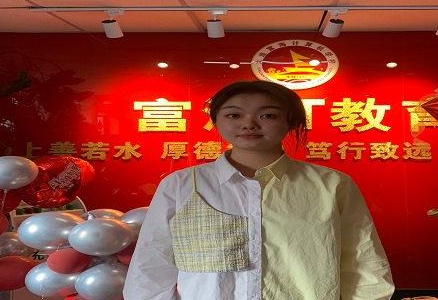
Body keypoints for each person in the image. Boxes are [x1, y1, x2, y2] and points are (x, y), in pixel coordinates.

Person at [123, 80, 395, 300]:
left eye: (268, 115)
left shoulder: (332, 185)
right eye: (233, 115)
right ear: (216, 121)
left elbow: (362, 261)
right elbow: (151, 264)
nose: (249, 124)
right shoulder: (181, 185)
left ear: (291, 122)